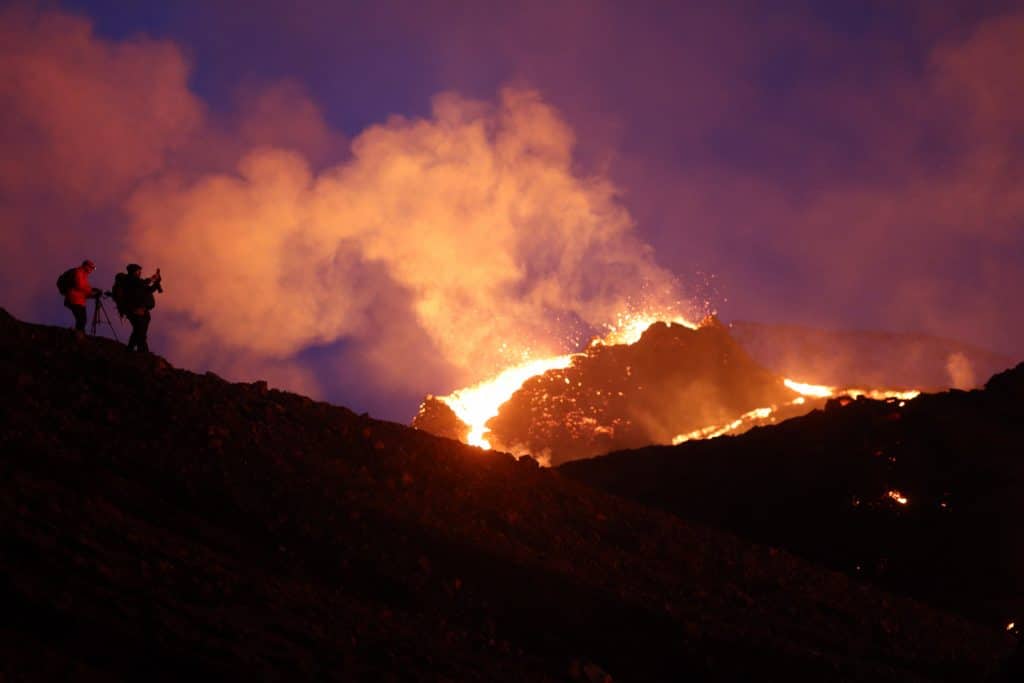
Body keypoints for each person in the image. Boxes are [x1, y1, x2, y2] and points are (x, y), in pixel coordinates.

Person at [117, 263, 162, 352]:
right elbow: (142, 285)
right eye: (138, 271)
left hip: (142, 310)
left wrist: (155, 286)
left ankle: (132, 349)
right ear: (134, 271)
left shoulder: (137, 282)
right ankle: (142, 351)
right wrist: (153, 279)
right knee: (140, 331)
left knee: (139, 330)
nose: (140, 272)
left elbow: (146, 291)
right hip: (135, 310)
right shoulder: (130, 280)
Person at [63, 259, 101, 336]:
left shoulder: (83, 274)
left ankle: (79, 334)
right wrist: (92, 291)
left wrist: (93, 293)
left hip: (79, 300)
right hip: (74, 300)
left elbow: (83, 290)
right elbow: (80, 286)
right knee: (81, 319)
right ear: (86, 266)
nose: (91, 270)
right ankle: (78, 335)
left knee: (82, 320)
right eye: (91, 268)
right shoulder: (79, 272)